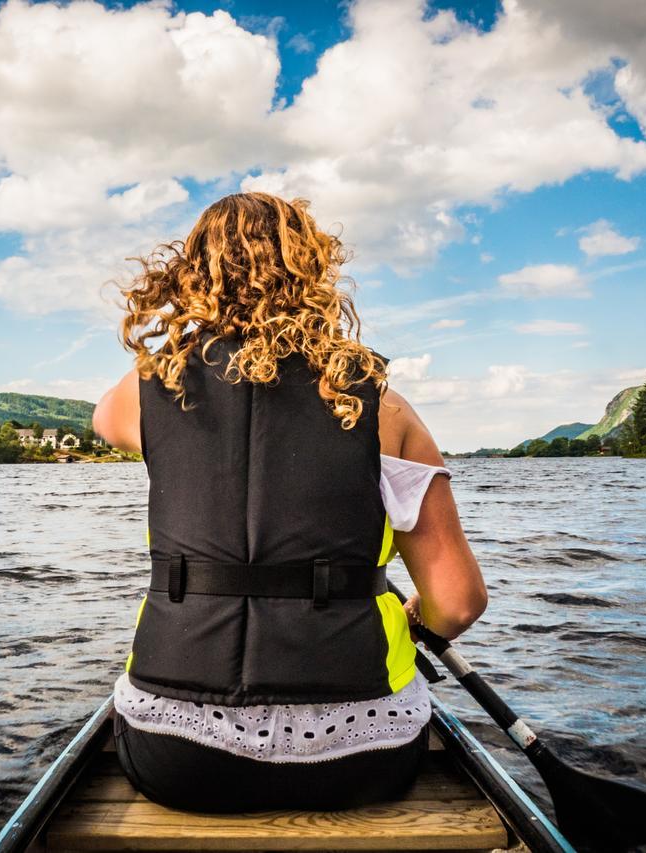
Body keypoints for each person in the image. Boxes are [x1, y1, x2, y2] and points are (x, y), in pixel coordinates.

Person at [92, 191, 487, 813]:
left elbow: (105, 422)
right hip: (363, 760)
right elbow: (459, 603)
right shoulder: (383, 407)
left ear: (191, 275)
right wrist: (414, 621)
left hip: (180, 760)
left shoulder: (138, 396)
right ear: (312, 271)